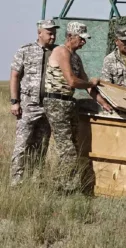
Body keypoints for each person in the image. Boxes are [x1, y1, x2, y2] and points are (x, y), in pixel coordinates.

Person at [43, 21, 99, 191]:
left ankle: (65, 187)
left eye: (85, 39)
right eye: (81, 39)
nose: (84, 42)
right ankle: (58, 190)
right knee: (68, 153)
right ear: (70, 37)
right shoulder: (61, 51)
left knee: (74, 147)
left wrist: (105, 104)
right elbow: (72, 81)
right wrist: (90, 82)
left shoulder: (76, 57)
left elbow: (89, 86)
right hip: (56, 103)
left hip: (68, 103)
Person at [9, 20, 60, 187]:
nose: (53, 36)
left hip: (49, 107)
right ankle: (16, 182)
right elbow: (15, 76)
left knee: (42, 145)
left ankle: (35, 181)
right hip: (28, 106)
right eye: (49, 33)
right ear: (40, 33)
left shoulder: (59, 52)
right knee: (22, 144)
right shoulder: (26, 50)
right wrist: (15, 101)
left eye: (54, 33)